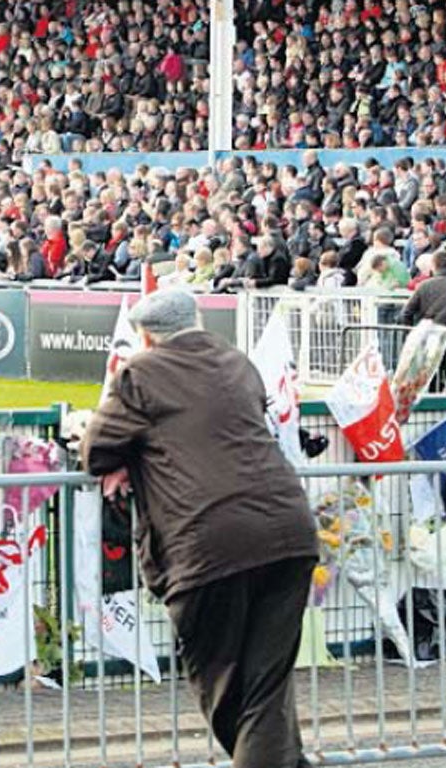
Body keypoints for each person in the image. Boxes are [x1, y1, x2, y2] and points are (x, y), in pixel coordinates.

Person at [80, 289, 318, 768]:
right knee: (266, 690)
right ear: (197, 321)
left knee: (228, 689)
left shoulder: (141, 373)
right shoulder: (237, 363)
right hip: (287, 531)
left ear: (147, 337)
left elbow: (96, 451)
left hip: (209, 545)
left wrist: (129, 459)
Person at [399, 250, 446, 391]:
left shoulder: (424, 286)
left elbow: (406, 313)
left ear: (433, 266)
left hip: (429, 337)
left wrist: (410, 335)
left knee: (430, 380)